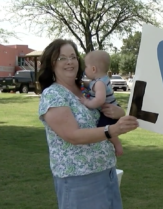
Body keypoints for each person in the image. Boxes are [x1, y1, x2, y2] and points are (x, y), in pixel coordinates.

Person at [38, 39, 138, 209]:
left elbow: (107, 109)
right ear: (52, 64)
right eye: (62, 58)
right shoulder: (53, 95)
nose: (70, 61)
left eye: (73, 56)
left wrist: (119, 113)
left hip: (107, 172)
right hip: (79, 179)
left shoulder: (86, 89)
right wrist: (112, 130)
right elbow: (73, 136)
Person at [80, 50, 123, 156]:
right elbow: (89, 85)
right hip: (112, 109)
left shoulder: (99, 83)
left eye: (86, 67)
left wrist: (87, 102)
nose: (84, 70)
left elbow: (100, 100)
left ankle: (117, 146)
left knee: (105, 129)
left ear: (93, 69)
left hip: (109, 113)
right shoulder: (103, 79)